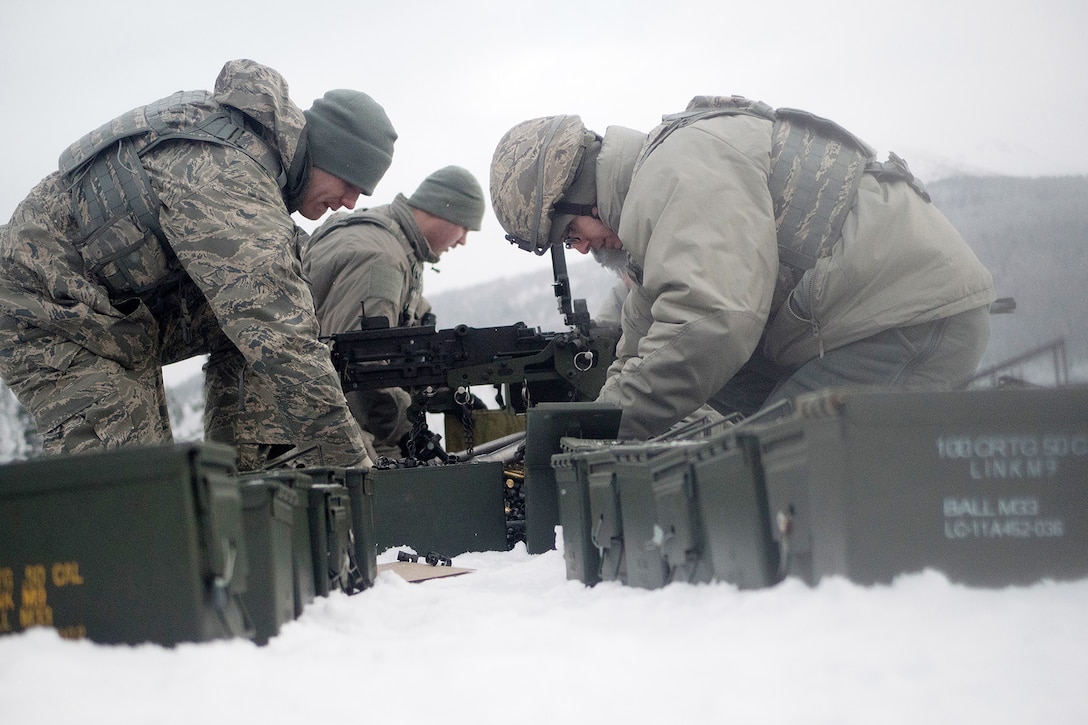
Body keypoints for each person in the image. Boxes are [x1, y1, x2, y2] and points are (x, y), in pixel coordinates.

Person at [490, 96, 996, 439]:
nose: (580, 249)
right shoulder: (653, 201)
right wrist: (594, 421)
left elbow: (712, 322)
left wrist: (603, 430)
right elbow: (644, 339)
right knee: (735, 436)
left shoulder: (674, 174)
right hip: (870, 322)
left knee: (775, 462)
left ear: (582, 198)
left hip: (905, 318)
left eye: (570, 235)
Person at [0, 59, 398, 471]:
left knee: (285, 298)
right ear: (325, 154)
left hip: (116, 313)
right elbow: (282, 340)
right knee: (140, 494)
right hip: (48, 311)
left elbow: (279, 305)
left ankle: (247, 476)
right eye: (349, 183)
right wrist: (353, 466)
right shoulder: (227, 176)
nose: (350, 203)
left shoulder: (250, 157)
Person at [301, 165, 485, 457]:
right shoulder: (380, 259)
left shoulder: (396, 247)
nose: (463, 240)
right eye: (465, 227)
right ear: (443, 211)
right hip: (321, 435)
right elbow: (365, 372)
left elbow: (403, 344)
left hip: (324, 423)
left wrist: (447, 392)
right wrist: (411, 435)